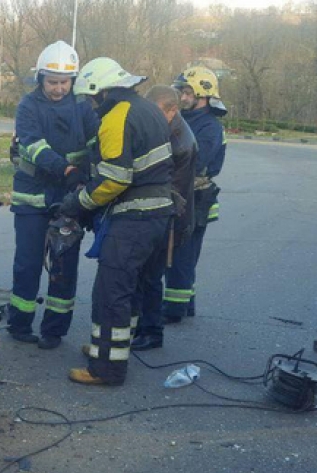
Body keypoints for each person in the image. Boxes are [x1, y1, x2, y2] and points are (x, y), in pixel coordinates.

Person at [59, 57, 174, 386]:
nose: (91, 105)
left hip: (134, 216)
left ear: (103, 92)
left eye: (91, 98)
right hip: (158, 214)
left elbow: (114, 179)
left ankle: (106, 368)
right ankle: (110, 348)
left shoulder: (115, 118)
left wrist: (79, 203)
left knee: (111, 291)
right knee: (132, 287)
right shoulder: (147, 108)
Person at [7, 40, 100, 350]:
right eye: (53, 82)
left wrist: (86, 177)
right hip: (32, 197)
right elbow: (32, 147)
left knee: (64, 266)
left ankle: (54, 330)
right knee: (28, 264)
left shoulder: (83, 106)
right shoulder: (28, 106)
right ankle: (19, 323)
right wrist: (67, 170)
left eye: (64, 82)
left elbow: (94, 143)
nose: (59, 88)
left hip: (69, 197)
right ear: (40, 78)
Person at [130, 85, 198, 351]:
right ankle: (140, 326)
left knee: (150, 277)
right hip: (162, 216)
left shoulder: (181, 143)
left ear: (172, 110)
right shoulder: (167, 130)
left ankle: (152, 332)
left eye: (156, 114)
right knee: (142, 276)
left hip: (169, 221)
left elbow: (169, 188)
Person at [164, 66, 228, 324]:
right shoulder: (186, 120)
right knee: (181, 254)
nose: (182, 96)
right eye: (181, 91)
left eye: (187, 92)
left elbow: (196, 162)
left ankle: (173, 309)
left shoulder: (209, 126)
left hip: (194, 199)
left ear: (203, 94)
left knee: (181, 255)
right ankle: (185, 303)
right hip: (183, 196)